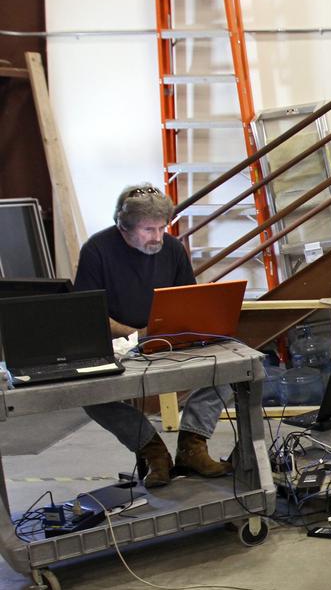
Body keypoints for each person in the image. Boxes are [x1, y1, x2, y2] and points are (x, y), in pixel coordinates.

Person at [73, 183, 231, 488]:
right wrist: (136, 333)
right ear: (123, 226)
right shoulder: (97, 250)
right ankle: (153, 451)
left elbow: (188, 297)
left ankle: (191, 446)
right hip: (118, 343)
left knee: (230, 370)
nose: (157, 237)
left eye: (162, 227)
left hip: (165, 338)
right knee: (90, 396)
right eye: (148, 230)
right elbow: (89, 313)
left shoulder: (171, 248)